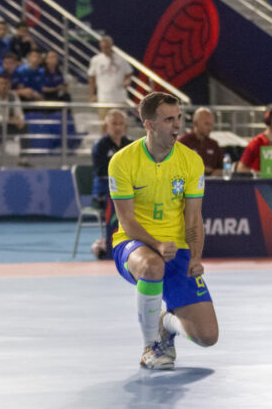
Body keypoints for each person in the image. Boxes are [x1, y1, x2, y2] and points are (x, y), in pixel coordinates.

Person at [109, 91, 218, 370]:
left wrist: (195, 257)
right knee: (152, 265)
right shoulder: (122, 161)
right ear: (149, 124)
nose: (177, 125)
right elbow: (127, 221)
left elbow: (193, 218)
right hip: (133, 244)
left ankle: (164, 323)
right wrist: (156, 244)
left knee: (208, 336)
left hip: (177, 249)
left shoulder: (191, 161)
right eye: (169, 119)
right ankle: (151, 346)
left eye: (179, 117)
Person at [92, 108, 132, 210]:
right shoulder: (99, 146)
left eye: (121, 124)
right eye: (114, 123)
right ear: (106, 126)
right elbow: (102, 171)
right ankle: (115, 226)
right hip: (104, 190)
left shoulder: (130, 145)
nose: (118, 127)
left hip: (126, 187)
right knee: (120, 200)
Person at [88, 35, 133, 120]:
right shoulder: (96, 60)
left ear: (111, 46)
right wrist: (92, 94)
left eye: (107, 47)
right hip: (103, 98)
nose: (105, 49)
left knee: (121, 122)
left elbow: (128, 73)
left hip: (119, 97)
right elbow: (91, 78)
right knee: (104, 123)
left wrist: (127, 81)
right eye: (103, 48)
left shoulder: (121, 59)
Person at [237, 106, 272, 173]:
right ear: (268, 120)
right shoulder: (256, 142)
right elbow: (240, 169)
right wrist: (259, 174)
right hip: (259, 182)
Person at [178, 107, 224, 177]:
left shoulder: (214, 145)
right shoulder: (183, 143)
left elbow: (223, 168)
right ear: (195, 123)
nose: (210, 128)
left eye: (211, 125)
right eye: (207, 124)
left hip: (212, 185)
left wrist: (218, 172)